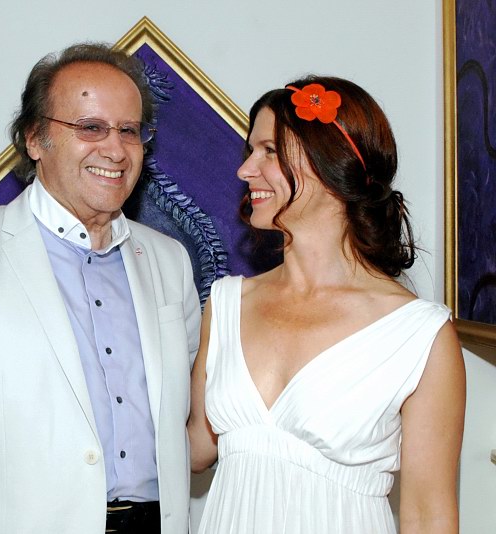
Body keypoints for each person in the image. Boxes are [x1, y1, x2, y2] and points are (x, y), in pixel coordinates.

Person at [0, 43, 201, 534]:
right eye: (90, 127)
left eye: (129, 130)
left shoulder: (168, 261)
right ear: (34, 139)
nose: (115, 149)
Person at [187, 76, 465, 534]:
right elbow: (197, 447)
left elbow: (427, 514)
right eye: (250, 152)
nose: (245, 170)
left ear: (330, 164)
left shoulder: (419, 335)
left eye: (269, 151)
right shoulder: (227, 303)